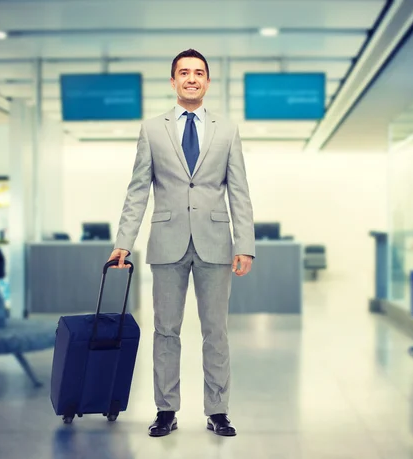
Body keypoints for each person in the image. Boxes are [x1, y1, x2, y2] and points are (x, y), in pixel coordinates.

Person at [107, 49, 255, 438]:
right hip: (167, 242)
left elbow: (239, 190)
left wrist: (246, 243)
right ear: (173, 81)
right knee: (166, 330)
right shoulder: (153, 129)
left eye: (199, 72)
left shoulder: (227, 130)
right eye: (184, 72)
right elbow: (138, 190)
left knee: (216, 331)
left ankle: (218, 410)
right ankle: (166, 410)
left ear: (208, 81)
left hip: (216, 242)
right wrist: (124, 240)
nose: (192, 78)